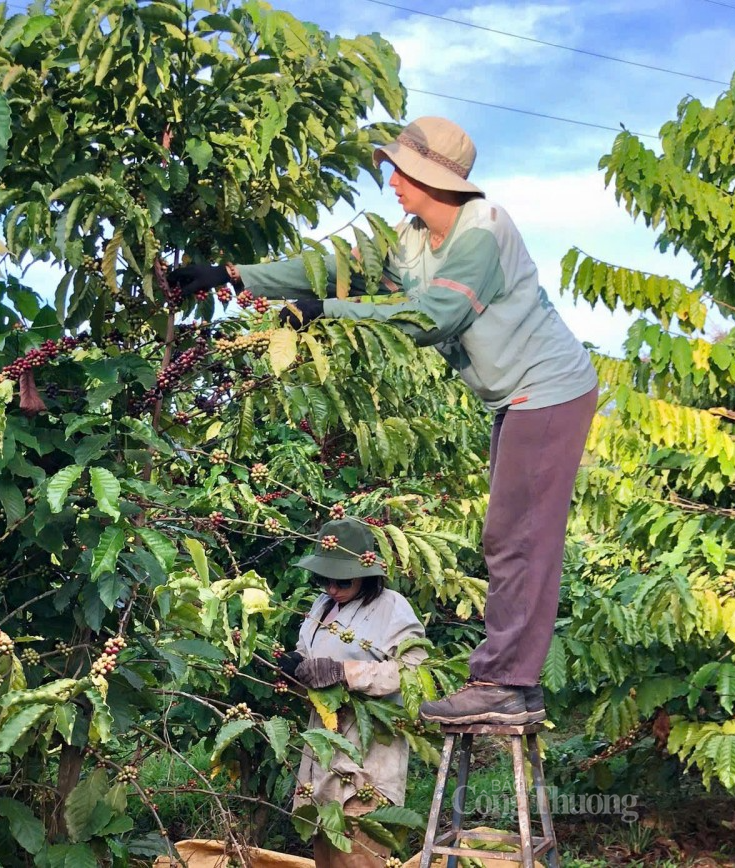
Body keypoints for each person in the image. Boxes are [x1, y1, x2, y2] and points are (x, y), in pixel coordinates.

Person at [172, 117, 598, 726]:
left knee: (518, 537)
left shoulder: (483, 231)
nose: (392, 182)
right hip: (515, 397)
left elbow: (430, 318)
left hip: (549, 389)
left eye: (402, 171)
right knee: (510, 536)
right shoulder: (411, 236)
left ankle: (505, 682)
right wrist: (234, 274)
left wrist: (326, 311)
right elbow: (332, 266)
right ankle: (512, 682)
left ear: (433, 178)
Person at [278, 519, 428, 867]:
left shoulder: (392, 607)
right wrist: (294, 666)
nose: (332, 588)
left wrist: (344, 672)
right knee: (327, 856)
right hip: (323, 760)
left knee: (360, 853)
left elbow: (414, 672)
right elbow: (307, 653)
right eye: (324, 580)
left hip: (369, 758)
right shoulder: (322, 605)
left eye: (342, 581)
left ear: (367, 575)